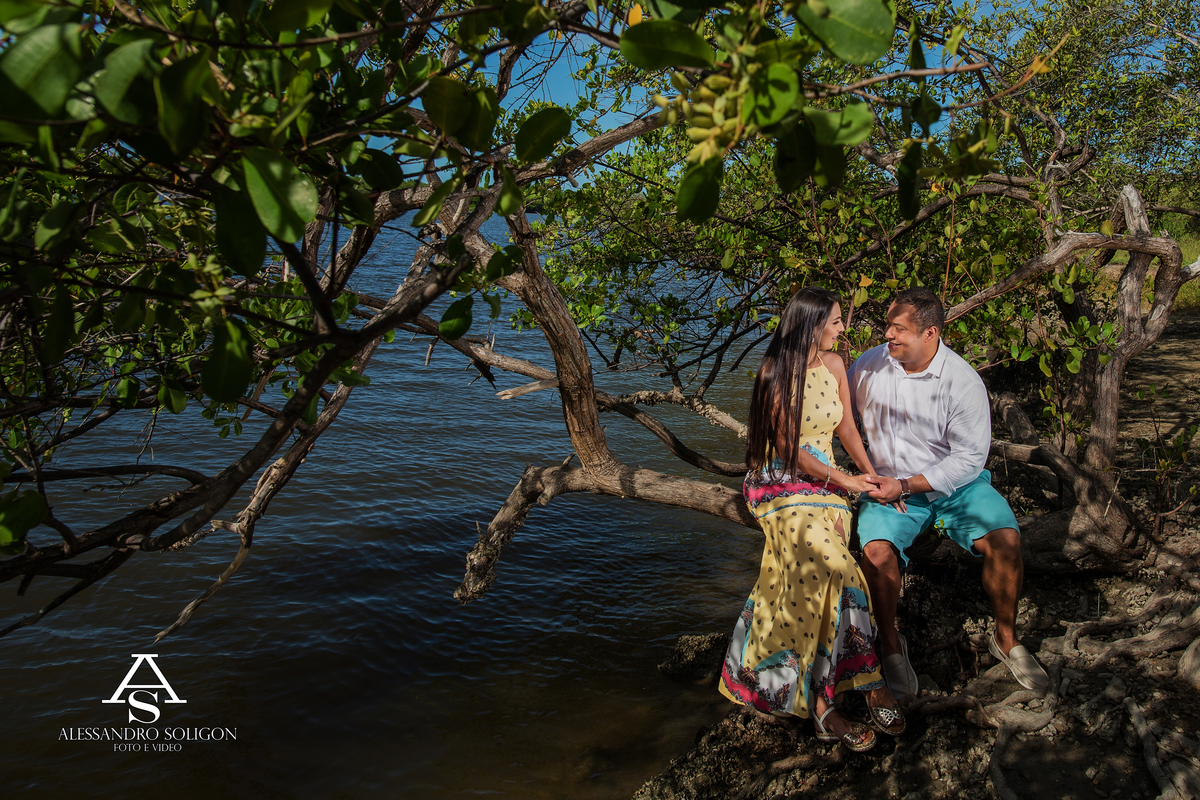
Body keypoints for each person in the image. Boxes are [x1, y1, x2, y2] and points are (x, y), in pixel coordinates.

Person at [718, 287, 904, 753]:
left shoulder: (836, 364)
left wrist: (870, 477)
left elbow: (846, 428)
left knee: (820, 579)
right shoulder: (774, 372)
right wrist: (846, 481)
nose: (843, 328)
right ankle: (865, 684)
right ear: (813, 324)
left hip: (827, 484)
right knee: (840, 570)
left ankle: (824, 705)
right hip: (780, 480)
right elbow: (788, 449)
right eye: (836, 321)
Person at [848, 287, 1050, 702]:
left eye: (899, 329)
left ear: (930, 333)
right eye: (887, 325)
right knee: (877, 554)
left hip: (955, 488)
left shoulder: (961, 381)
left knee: (1006, 541)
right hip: (888, 485)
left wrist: (908, 485)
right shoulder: (867, 367)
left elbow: (970, 459)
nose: (888, 334)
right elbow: (835, 416)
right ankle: (891, 644)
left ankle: (1006, 639)